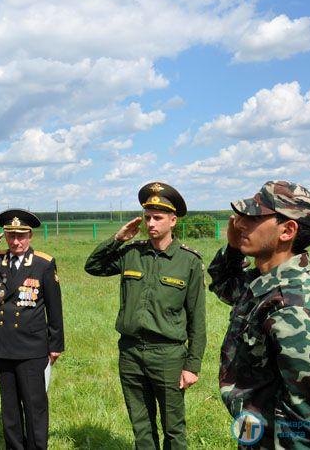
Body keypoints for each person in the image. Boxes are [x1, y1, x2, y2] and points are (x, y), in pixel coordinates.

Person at [208, 180, 310, 448]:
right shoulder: (265, 280)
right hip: (255, 433)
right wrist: (233, 248)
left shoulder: (295, 307)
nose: (240, 223)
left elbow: (309, 423)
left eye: (253, 217)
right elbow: (223, 285)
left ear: (287, 230)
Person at [84, 182, 206, 450]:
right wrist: (118, 239)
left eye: (158, 218)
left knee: (173, 428)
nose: (151, 223)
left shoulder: (189, 262)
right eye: (147, 217)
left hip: (168, 355)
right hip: (130, 353)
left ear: (173, 221)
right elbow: (93, 266)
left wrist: (192, 365)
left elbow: (197, 318)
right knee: (141, 426)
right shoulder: (131, 253)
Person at [0, 209, 64, 450]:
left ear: (30, 236)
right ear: (5, 236)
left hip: (32, 347)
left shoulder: (42, 264)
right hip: (3, 346)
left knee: (35, 406)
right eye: (11, 236)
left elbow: (54, 307)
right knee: (9, 407)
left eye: (21, 236)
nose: (16, 241)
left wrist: (55, 344)